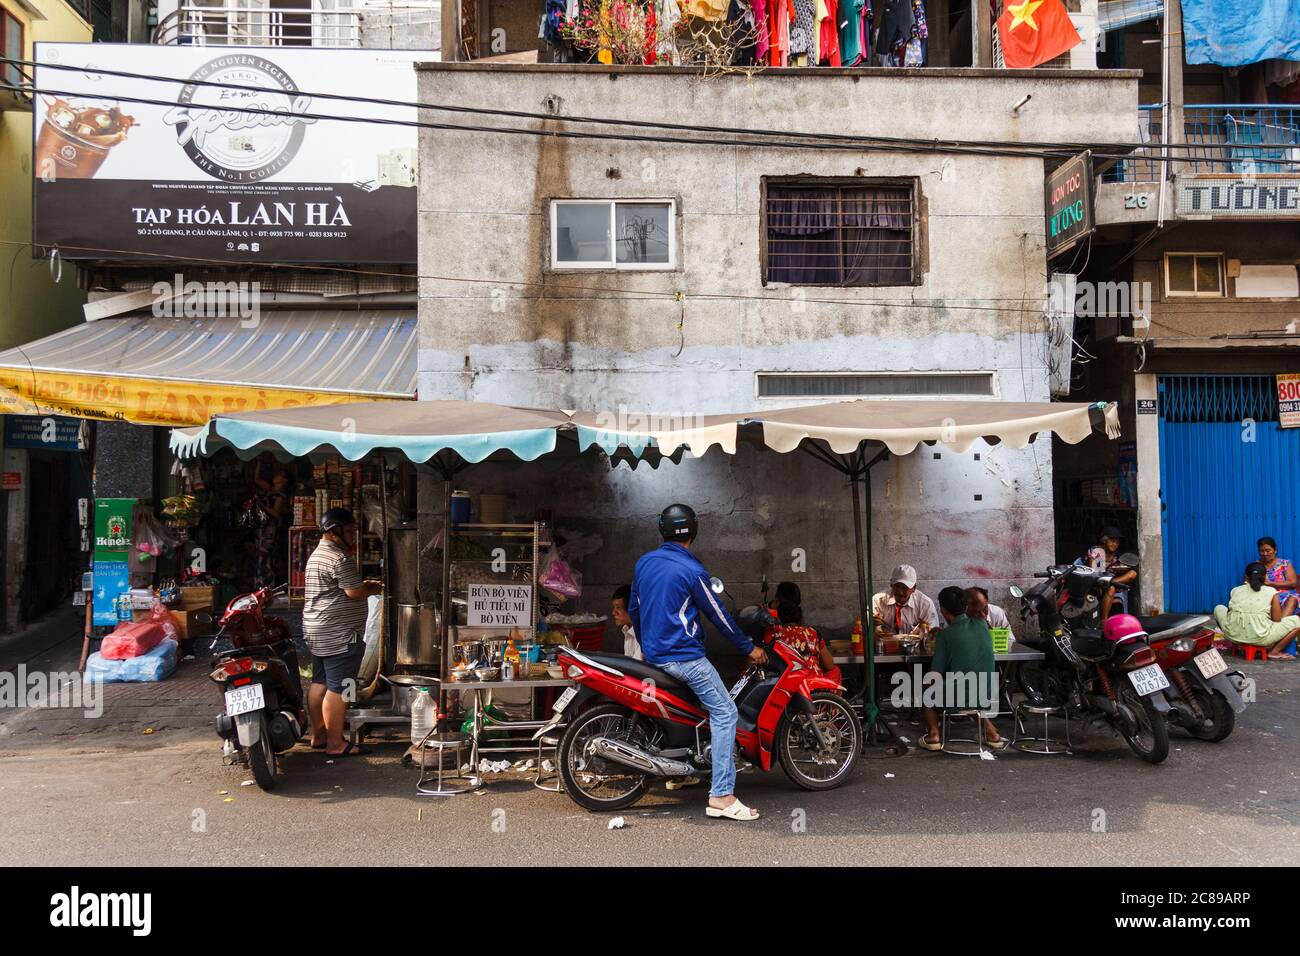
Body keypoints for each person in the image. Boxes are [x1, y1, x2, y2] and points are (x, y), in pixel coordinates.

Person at [627, 503, 768, 822]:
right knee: (725, 711)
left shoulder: (644, 563)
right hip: (685, 658)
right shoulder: (693, 570)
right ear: (693, 531)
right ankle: (722, 795)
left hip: (655, 656)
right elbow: (719, 616)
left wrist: (648, 645)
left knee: (689, 709)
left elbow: (635, 610)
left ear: (662, 530)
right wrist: (748, 647)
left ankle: (682, 771)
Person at [302, 508, 382, 757]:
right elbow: (354, 592)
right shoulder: (339, 558)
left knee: (319, 682)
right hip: (339, 634)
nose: (353, 536)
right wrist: (371, 587)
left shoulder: (316, 555)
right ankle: (335, 744)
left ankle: (319, 735)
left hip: (317, 631)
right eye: (349, 531)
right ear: (334, 532)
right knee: (339, 688)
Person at [919, 587, 1007, 751]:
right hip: (988, 692)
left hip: (962, 694)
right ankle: (992, 734)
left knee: (927, 692)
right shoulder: (982, 624)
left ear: (943, 611)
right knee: (968, 692)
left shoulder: (945, 635)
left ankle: (934, 735)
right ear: (965, 606)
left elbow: (936, 673)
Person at [1214, 562, 1300, 659]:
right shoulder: (1271, 591)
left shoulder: (1235, 590)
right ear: (1265, 576)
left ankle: (1239, 640)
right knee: (1298, 621)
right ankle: (1274, 652)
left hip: (1232, 636)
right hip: (1260, 638)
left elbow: (1230, 613)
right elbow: (1277, 619)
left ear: (1246, 576)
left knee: (1219, 608)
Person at [767, 599, 842, 688]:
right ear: (800, 618)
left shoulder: (773, 634)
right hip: (812, 683)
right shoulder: (812, 633)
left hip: (782, 685)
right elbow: (829, 665)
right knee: (834, 671)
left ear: (777, 618)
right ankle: (827, 701)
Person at [872, 564, 942, 635]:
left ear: (914, 588)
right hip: (885, 644)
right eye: (897, 586)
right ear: (891, 585)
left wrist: (924, 631)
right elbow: (869, 625)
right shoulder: (878, 600)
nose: (900, 592)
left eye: (905, 588)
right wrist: (875, 626)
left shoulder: (925, 604)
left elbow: (933, 633)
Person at [1085, 526, 1136, 620]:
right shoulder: (1097, 551)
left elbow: (1121, 568)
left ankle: (1110, 582)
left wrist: (1120, 570)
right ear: (1104, 541)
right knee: (1111, 588)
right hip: (1096, 584)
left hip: (1110, 582)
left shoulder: (1117, 555)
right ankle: (1103, 621)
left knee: (1132, 573)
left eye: (1117, 542)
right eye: (1112, 541)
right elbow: (1097, 571)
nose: (1115, 544)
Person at [1258, 537, 1299, 616]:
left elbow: (1293, 583)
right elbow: (1248, 583)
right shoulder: (1257, 565)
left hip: (1285, 596)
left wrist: (1270, 583)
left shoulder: (1284, 564)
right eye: (1262, 551)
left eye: (1268, 550)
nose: (1265, 554)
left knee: (1293, 600)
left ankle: (1279, 626)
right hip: (1265, 597)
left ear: (1275, 550)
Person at [610, 584, 641, 659]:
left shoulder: (642, 634)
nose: (613, 613)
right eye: (614, 607)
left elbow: (637, 667)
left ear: (631, 608)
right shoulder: (627, 629)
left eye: (618, 607)